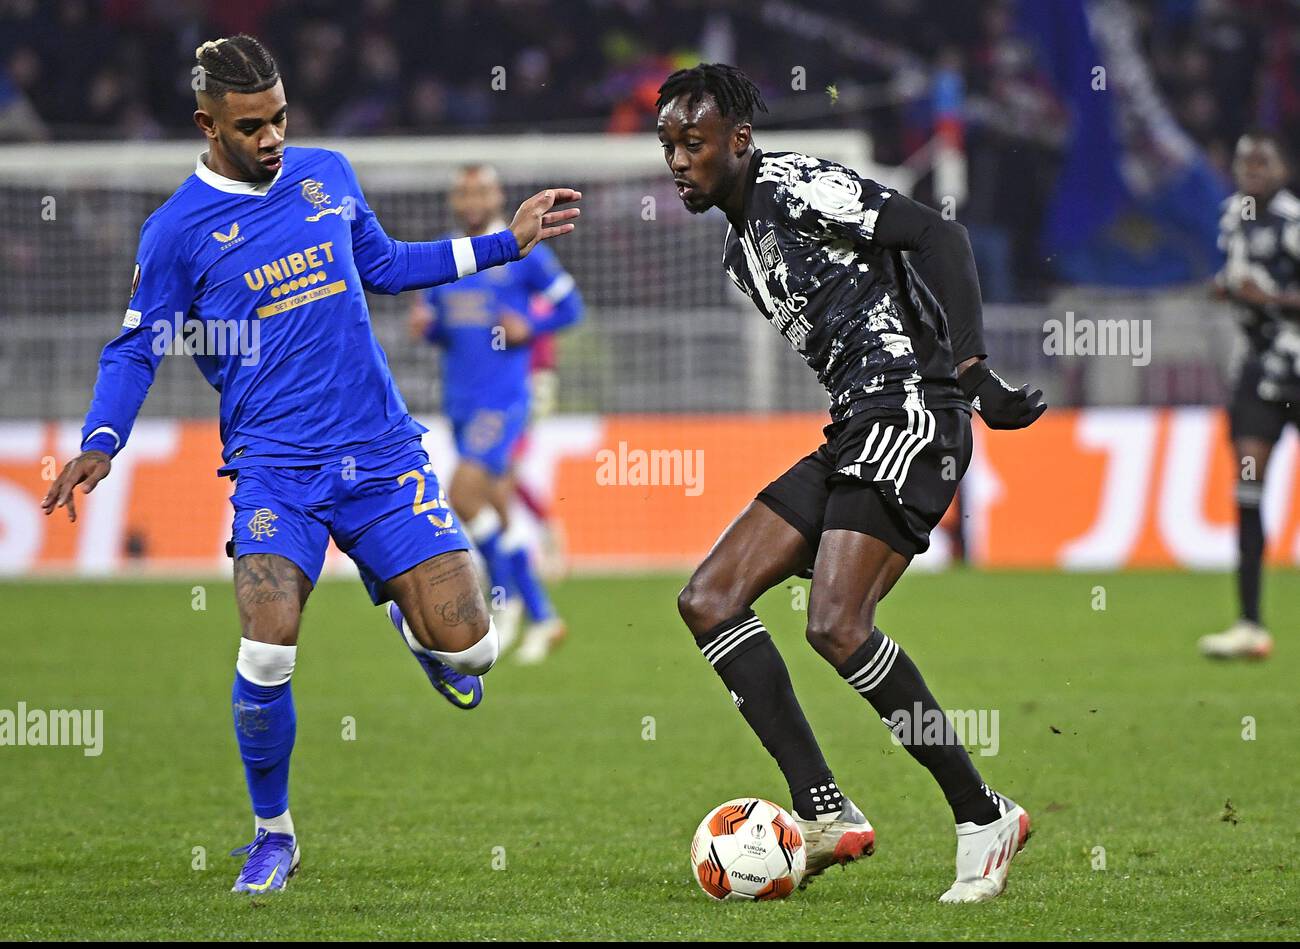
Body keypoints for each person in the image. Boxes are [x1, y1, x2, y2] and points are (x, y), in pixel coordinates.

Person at [41, 35, 580, 894]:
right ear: (206, 125)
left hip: (379, 451)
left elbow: (389, 266)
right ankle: (274, 833)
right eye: (252, 125)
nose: (273, 138)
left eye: (281, 117)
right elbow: (136, 349)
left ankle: (413, 623)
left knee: (474, 652)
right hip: (273, 468)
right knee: (266, 649)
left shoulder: (327, 173)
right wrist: (101, 441)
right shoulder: (176, 230)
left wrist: (502, 246)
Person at [658, 63, 1045, 902]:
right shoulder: (738, 252)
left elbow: (940, 239)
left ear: (740, 139)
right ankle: (825, 810)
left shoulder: (795, 183)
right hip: (854, 425)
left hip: (913, 412)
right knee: (710, 597)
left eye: (694, 142)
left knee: (835, 622)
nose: (679, 160)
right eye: (669, 146)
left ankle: (984, 816)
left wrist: (974, 374)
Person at [408, 164, 583, 663]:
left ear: (497, 196)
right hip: (460, 401)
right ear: (454, 199)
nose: (471, 199)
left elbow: (572, 308)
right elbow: (447, 328)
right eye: (463, 191)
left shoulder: (523, 251)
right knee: (492, 509)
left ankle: (504, 604)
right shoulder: (447, 255)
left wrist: (529, 322)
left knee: (461, 494)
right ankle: (540, 614)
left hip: (503, 400)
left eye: (480, 190)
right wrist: (428, 328)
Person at [1200, 131, 1300, 660]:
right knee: (1248, 485)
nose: (1252, 169)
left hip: (1298, 363)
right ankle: (1249, 624)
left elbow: (1276, 290)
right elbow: (1233, 276)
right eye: (1244, 162)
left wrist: (1275, 300)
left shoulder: (1293, 221)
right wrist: (1226, 289)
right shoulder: (1230, 218)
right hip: (1259, 371)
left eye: (1263, 160)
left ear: (1283, 168)